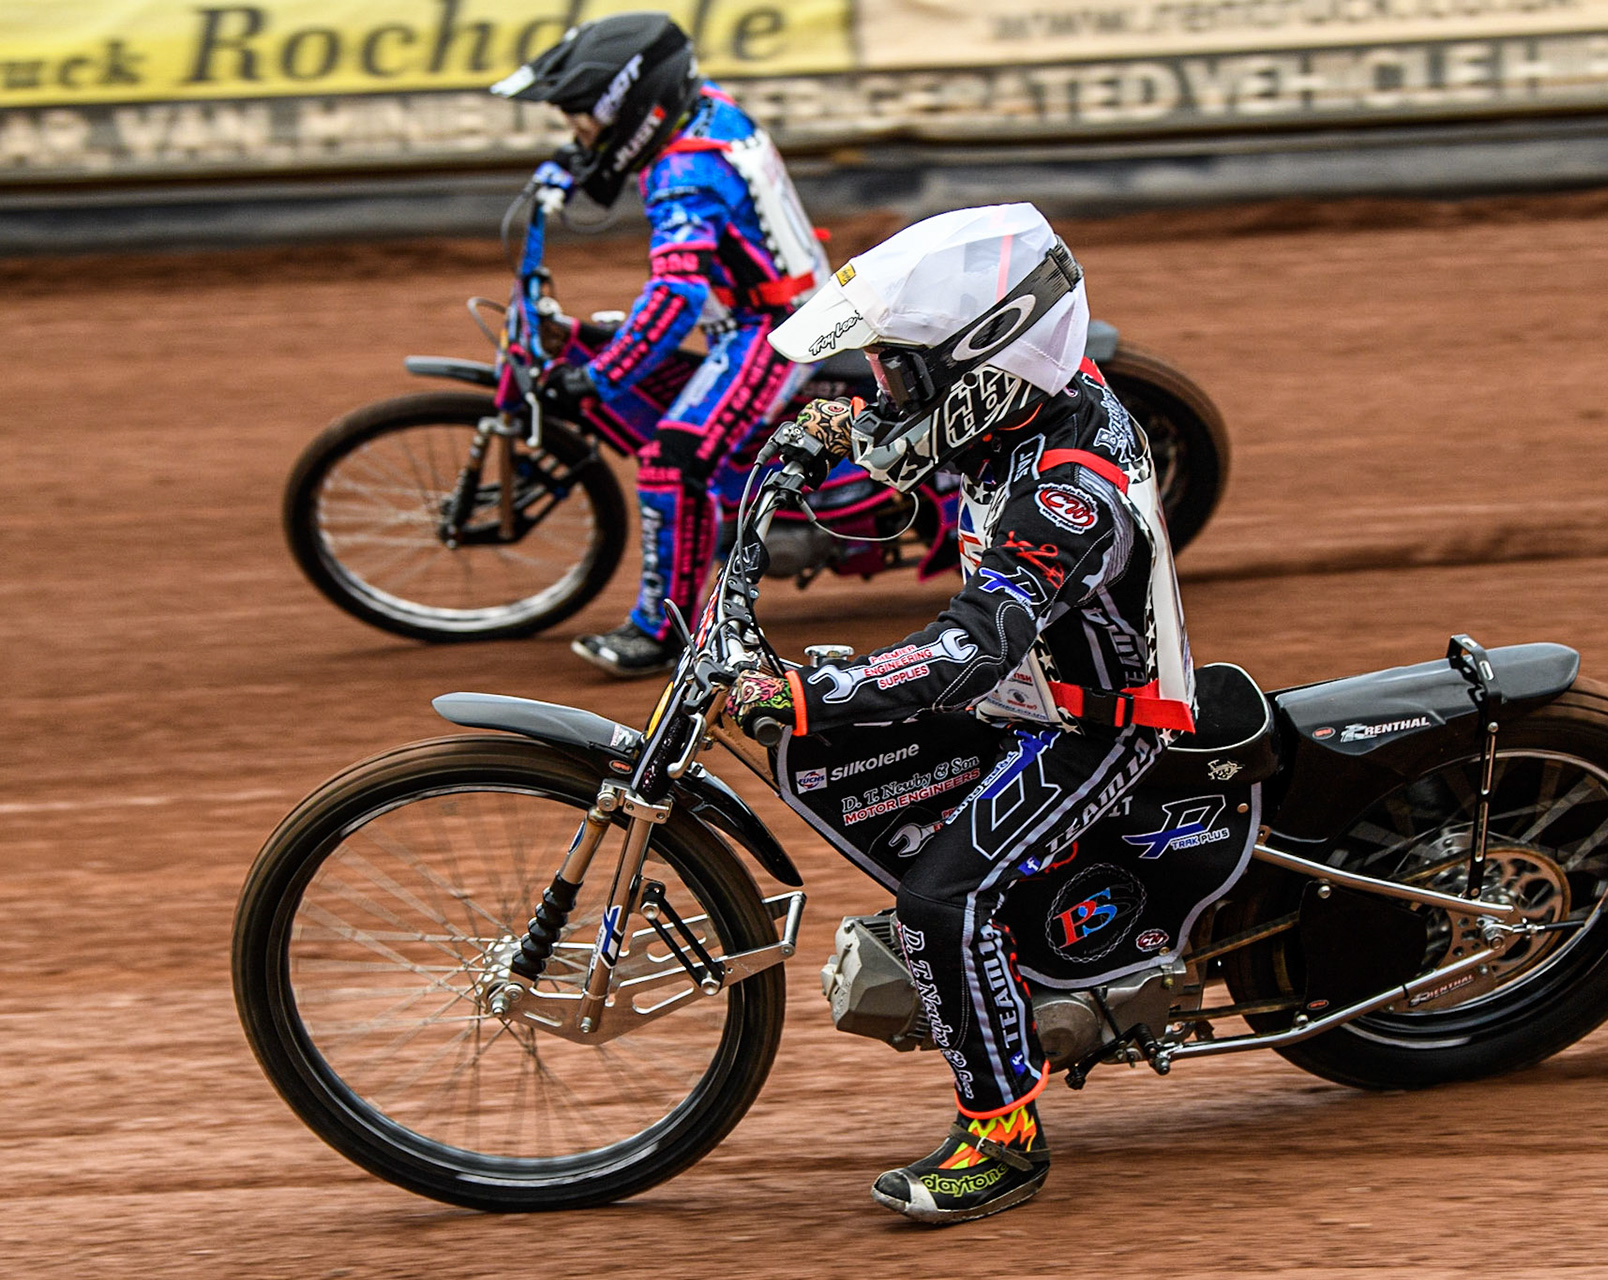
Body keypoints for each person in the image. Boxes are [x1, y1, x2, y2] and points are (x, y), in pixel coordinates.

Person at [724, 203, 1197, 1224]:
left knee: (944, 897)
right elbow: (928, 445)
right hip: (1026, 691)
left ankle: (1004, 1136)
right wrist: (834, 437)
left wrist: (810, 691)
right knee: (848, 743)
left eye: (902, 369)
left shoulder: (1073, 492)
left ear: (985, 363)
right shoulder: (1023, 404)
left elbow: (968, 647)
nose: (884, 387)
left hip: (1099, 721)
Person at [490, 12, 829, 676]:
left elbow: (676, 295)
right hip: (760, 304)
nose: (579, 133)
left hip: (777, 329)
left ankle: (664, 632)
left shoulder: (686, 173)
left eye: (583, 117)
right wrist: (578, 167)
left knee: (672, 458)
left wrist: (602, 376)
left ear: (631, 106)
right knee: (618, 342)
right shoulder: (701, 113)